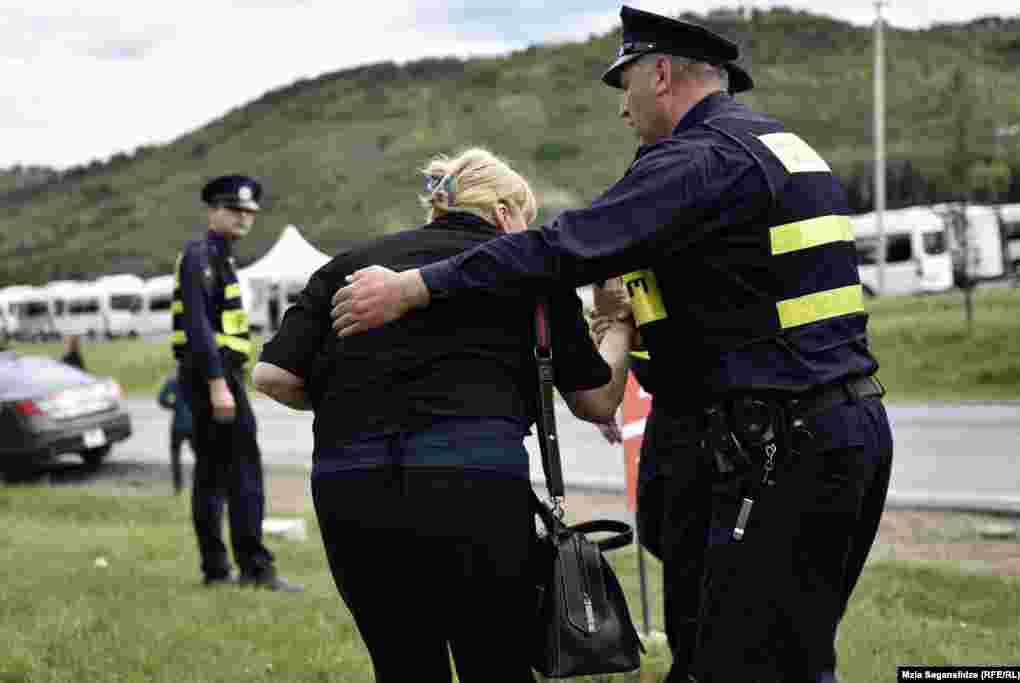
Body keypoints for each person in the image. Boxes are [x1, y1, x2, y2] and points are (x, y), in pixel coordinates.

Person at [327, 7, 895, 682]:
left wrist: (416, 287)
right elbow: (742, 302)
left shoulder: (699, 159)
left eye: (625, 85)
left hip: (779, 446)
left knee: (748, 663)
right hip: (828, 428)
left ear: (661, 74)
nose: (623, 109)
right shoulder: (777, 147)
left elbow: (562, 247)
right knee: (765, 651)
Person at [252, 148, 634, 682]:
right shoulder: (531, 271)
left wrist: (355, 398)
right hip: (472, 482)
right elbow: (596, 400)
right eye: (525, 219)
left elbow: (272, 376)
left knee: (403, 664)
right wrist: (618, 327)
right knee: (494, 661)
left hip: (351, 486)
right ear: (504, 212)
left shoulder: (346, 267)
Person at [171, 173, 302, 592]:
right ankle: (255, 568)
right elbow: (198, 327)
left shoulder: (220, 257)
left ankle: (216, 570)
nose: (244, 217)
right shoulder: (201, 257)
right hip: (212, 377)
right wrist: (217, 384)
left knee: (211, 474)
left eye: (249, 211)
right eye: (234, 209)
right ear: (213, 211)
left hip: (212, 377)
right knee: (243, 471)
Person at [157, 371, 194, 494]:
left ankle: (177, 486)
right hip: (195, 424)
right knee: (200, 456)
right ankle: (199, 482)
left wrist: (173, 406)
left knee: (175, 455)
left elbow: (161, 399)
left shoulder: (173, 379)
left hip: (178, 424)